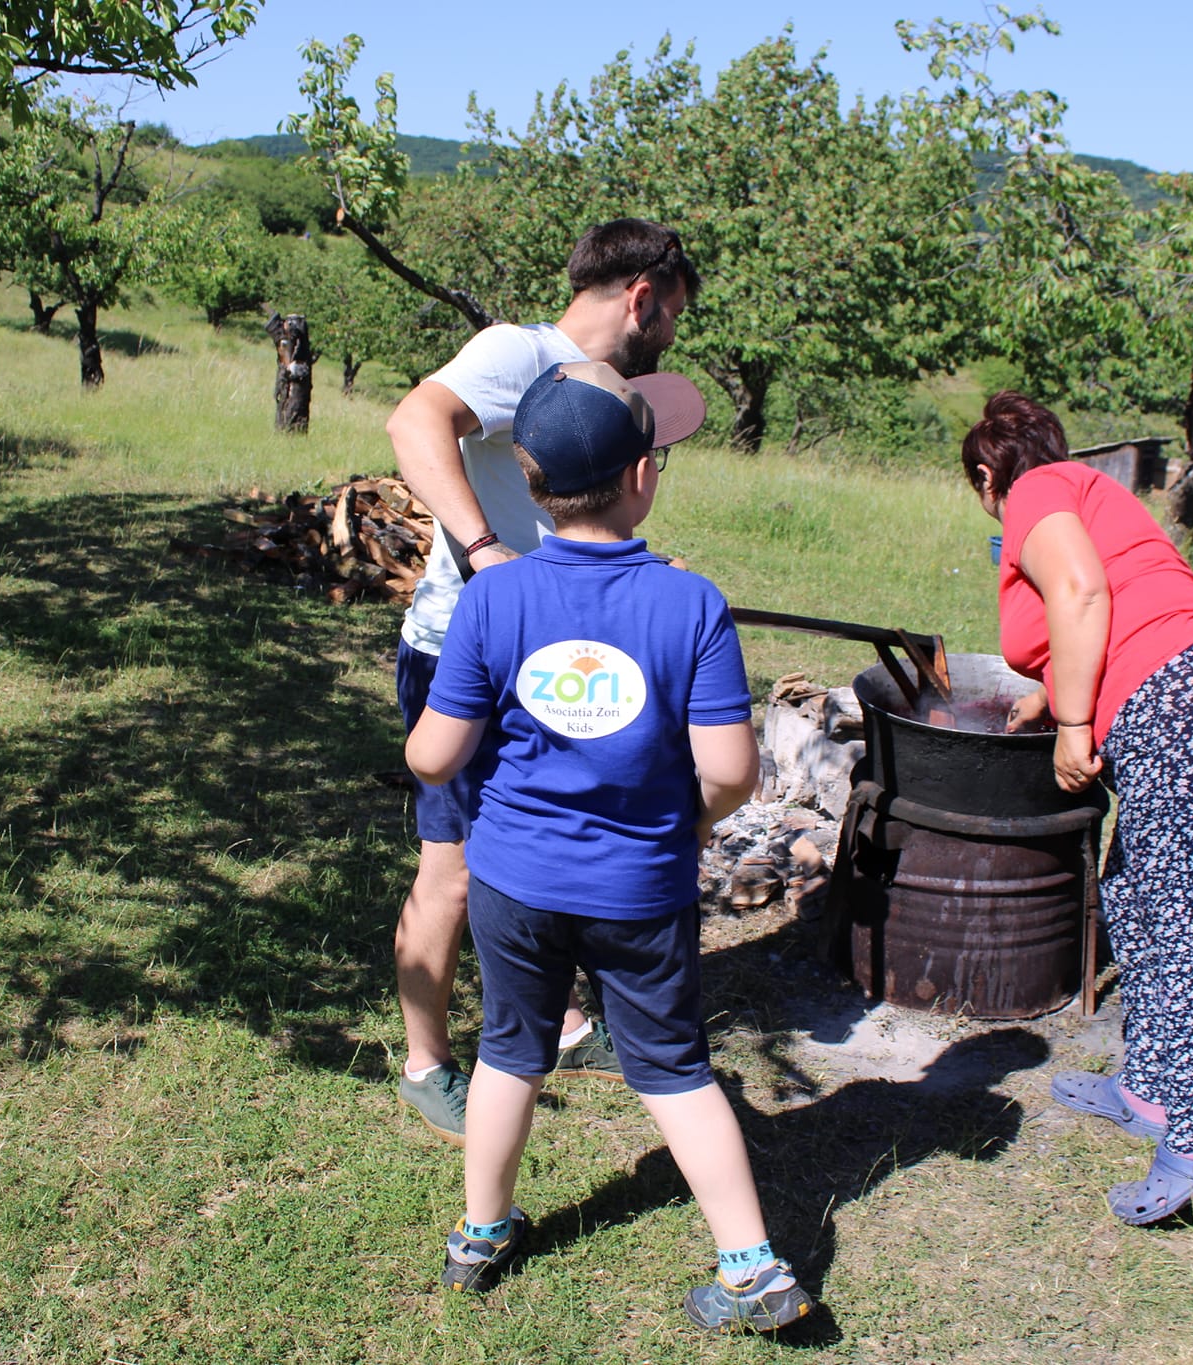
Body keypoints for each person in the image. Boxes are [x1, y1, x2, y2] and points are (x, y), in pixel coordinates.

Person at [405, 360, 816, 1332]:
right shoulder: (691, 603)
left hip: (513, 881)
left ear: (530, 481)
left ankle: (480, 1235)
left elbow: (431, 756)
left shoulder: (493, 598)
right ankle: (751, 1267)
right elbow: (731, 773)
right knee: (673, 1066)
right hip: (642, 885)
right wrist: (684, 821)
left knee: (510, 1052)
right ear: (640, 476)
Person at [386, 220, 702, 1144]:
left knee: (535, 840)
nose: (671, 337)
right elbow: (413, 421)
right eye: (673, 315)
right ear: (641, 297)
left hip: (543, 658)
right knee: (453, 868)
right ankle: (425, 1064)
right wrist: (485, 551)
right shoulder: (518, 352)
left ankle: (558, 1022)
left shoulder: (591, 386)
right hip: (466, 652)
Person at [962, 391, 1193, 1225]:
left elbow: (1082, 592)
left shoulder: (1036, 489)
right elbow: (1109, 602)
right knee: (1136, 892)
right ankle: (1153, 1088)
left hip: (1181, 696)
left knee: (1192, 917)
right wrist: (1049, 692)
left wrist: (1073, 725)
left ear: (988, 475)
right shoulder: (1088, 490)